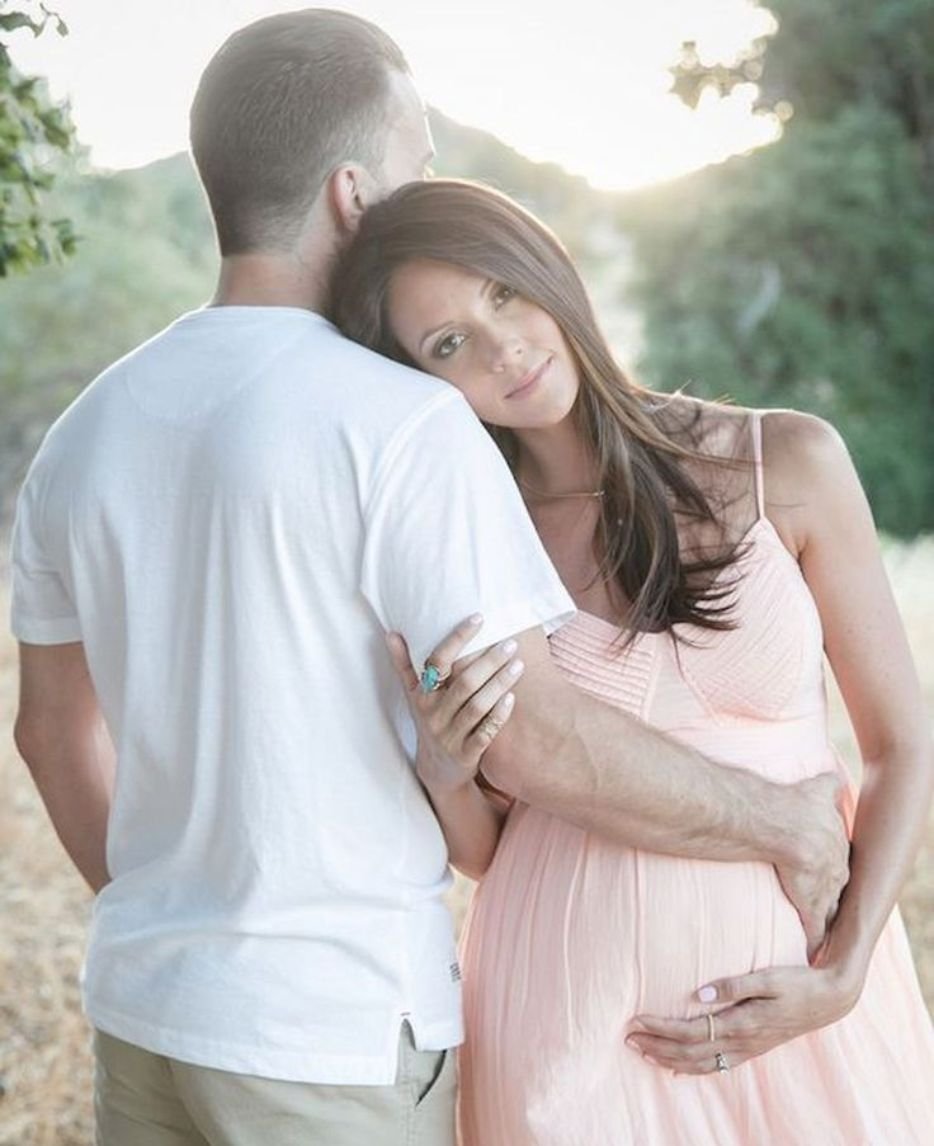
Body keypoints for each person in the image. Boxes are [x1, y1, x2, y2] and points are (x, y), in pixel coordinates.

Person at [10, 10, 849, 1145]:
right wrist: (785, 825)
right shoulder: (398, 420)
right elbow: (534, 734)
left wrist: (171, 926)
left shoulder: (84, 431)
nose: (428, 186)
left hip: (147, 1018)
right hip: (332, 1035)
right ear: (356, 194)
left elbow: (52, 735)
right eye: (420, 162)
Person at [331, 178, 934, 1145]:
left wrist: (844, 971)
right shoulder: (478, 545)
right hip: (571, 1012)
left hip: (804, 1005)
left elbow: (902, 746)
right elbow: (500, 847)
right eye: (448, 344)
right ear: (422, 380)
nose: (503, 348)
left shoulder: (784, 460)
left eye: (501, 293)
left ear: (549, 271)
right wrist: (445, 776)